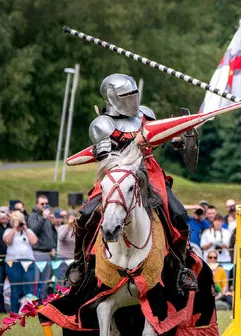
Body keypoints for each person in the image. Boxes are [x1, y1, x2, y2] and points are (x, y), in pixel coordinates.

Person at [69, 73, 198, 292]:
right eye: (125, 95)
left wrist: (177, 139)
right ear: (112, 97)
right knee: (87, 214)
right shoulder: (103, 125)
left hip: (149, 172)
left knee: (177, 213)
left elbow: (159, 137)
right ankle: (80, 264)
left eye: (133, 94)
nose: (131, 99)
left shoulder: (146, 114)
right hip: (116, 176)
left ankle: (179, 267)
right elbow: (104, 157)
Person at [4, 211, 38, 313]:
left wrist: (26, 228)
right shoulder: (8, 231)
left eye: (20, 221)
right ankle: (14, 312)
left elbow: (34, 241)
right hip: (12, 262)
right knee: (15, 288)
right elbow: (7, 241)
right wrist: (14, 229)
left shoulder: (28, 231)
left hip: (28, 261)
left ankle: (29, 311)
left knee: (29, 287)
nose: (18, 223)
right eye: (16, 221)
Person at [27, 195, 56, 299]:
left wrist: (52, 247)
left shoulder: (46, 218)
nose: (44, 206)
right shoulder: (33, 216)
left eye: (46, 204)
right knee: (36, 281)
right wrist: (43, 218)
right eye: (42, 204)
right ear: (37, 205)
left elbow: (49, 234)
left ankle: (42, 305)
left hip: (48, 254)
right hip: (37, 253)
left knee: (45, 282)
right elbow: (33, 230)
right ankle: (34, 303)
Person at [56, 210, 77, 282]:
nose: (72, 221)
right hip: (63, 258)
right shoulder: (62, 228)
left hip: (74, 259)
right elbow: (61, 238)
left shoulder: (77, 229)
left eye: (73, 219)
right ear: (67, 219)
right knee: (62, 280)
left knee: (73, 280)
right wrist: (68, 226)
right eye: (70, 218)